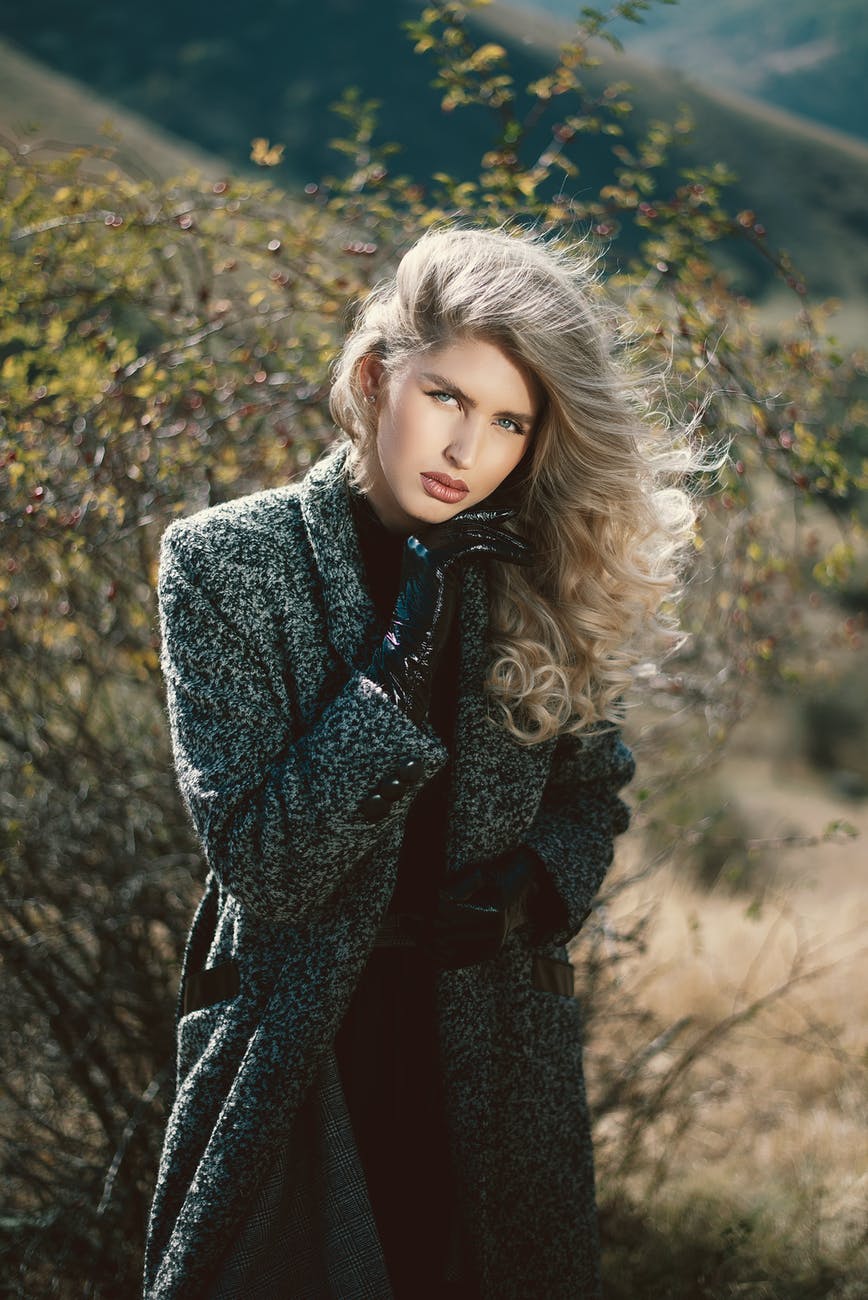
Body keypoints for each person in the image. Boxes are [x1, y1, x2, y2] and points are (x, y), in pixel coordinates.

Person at [143, 224, 694, 1299]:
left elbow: (590, 794)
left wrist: (534, 888)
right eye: (445, 396)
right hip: (300, 1045)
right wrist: (404, 643)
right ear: (373, 376)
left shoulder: (538, 569)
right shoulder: (221, 563)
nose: (467, 450)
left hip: (494, 1047)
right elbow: (269, 867)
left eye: (508, 421)